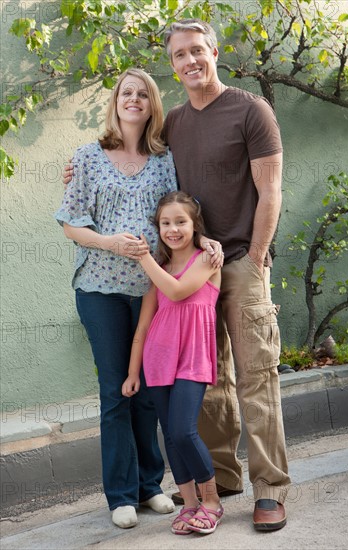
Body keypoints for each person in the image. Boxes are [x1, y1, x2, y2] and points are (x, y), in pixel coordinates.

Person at [62, 18, 291, 531]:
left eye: (197, 51)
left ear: (214, 51)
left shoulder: (252, 110)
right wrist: (74, 168)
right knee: (207, 384)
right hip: (189, 274)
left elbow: (271, 191)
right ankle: (223, 478)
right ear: (174, 65)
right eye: (179, 55)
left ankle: (270, 490)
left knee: (256, 379)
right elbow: (128, 156)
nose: (189, 61)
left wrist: (254, 259)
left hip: (238, 264)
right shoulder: (178, 126)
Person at [55, 68, 178, 529]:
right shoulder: (88, 156)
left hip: (150, 290)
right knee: (116, 392)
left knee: (147, 392)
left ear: (151, 105)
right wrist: (112, 243)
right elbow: (70, 223)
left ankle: (150, 486)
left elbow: (179, 213)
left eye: (143, 94)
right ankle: (121, 495)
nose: (134, 99)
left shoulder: (165, 160)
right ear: (116, 101)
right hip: (101, 290)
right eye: (127, 92)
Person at [122, 191, 224, 535]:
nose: (172, 229)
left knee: (183, 430)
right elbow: (143, 326)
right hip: (157, 361)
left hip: (193, 358)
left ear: (195, 225)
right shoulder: (161, 270)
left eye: (180, 221)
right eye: (165, 223)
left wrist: (144, 258)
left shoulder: (208, 259)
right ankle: (190, 504)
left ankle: (211, 501)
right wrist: (134, 371)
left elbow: (179, 291)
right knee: (171, 435)